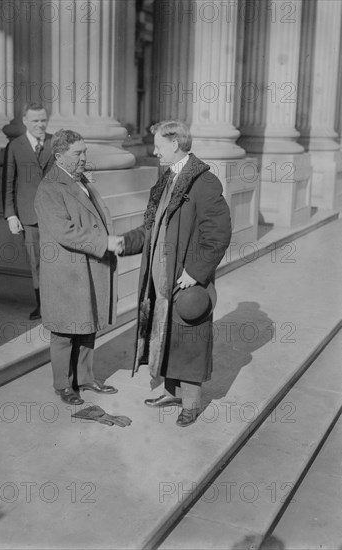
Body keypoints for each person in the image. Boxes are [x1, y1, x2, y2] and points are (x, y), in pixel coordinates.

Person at [121, 120, 232, 427]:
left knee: (189, 335)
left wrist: (195, 273)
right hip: (161, 276)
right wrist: (124, 242)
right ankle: (173, 392)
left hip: (185, 280)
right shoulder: (168, 178)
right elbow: (152, 227)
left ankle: (191, 403)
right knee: (167, 335)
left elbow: (219, 234)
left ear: (175, 143)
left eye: (158, 145)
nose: (154, 151)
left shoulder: (204, 182)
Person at [34, 129, 124, 405]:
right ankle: (63, 385)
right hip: (66, 273)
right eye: (78, 153)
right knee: (64, 331)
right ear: (60, 156)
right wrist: (104, 241)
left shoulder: (80, 180)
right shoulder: (49, 188)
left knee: (87, 326)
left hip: (85, 267)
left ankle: (85, 379)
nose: (84, 157)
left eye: (85, 151)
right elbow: (65, 232)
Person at [3, 102, 54, 320]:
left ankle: (57, 303)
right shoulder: (15, 146)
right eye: (35, 121)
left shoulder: (55, 142)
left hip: (55, 214)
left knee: (57, 260)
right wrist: (11, 214)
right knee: (36, 262)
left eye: (43, 120)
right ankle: (42, 305)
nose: (40, 125)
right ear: (24, 121)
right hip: (28, 215)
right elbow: (8, 182)